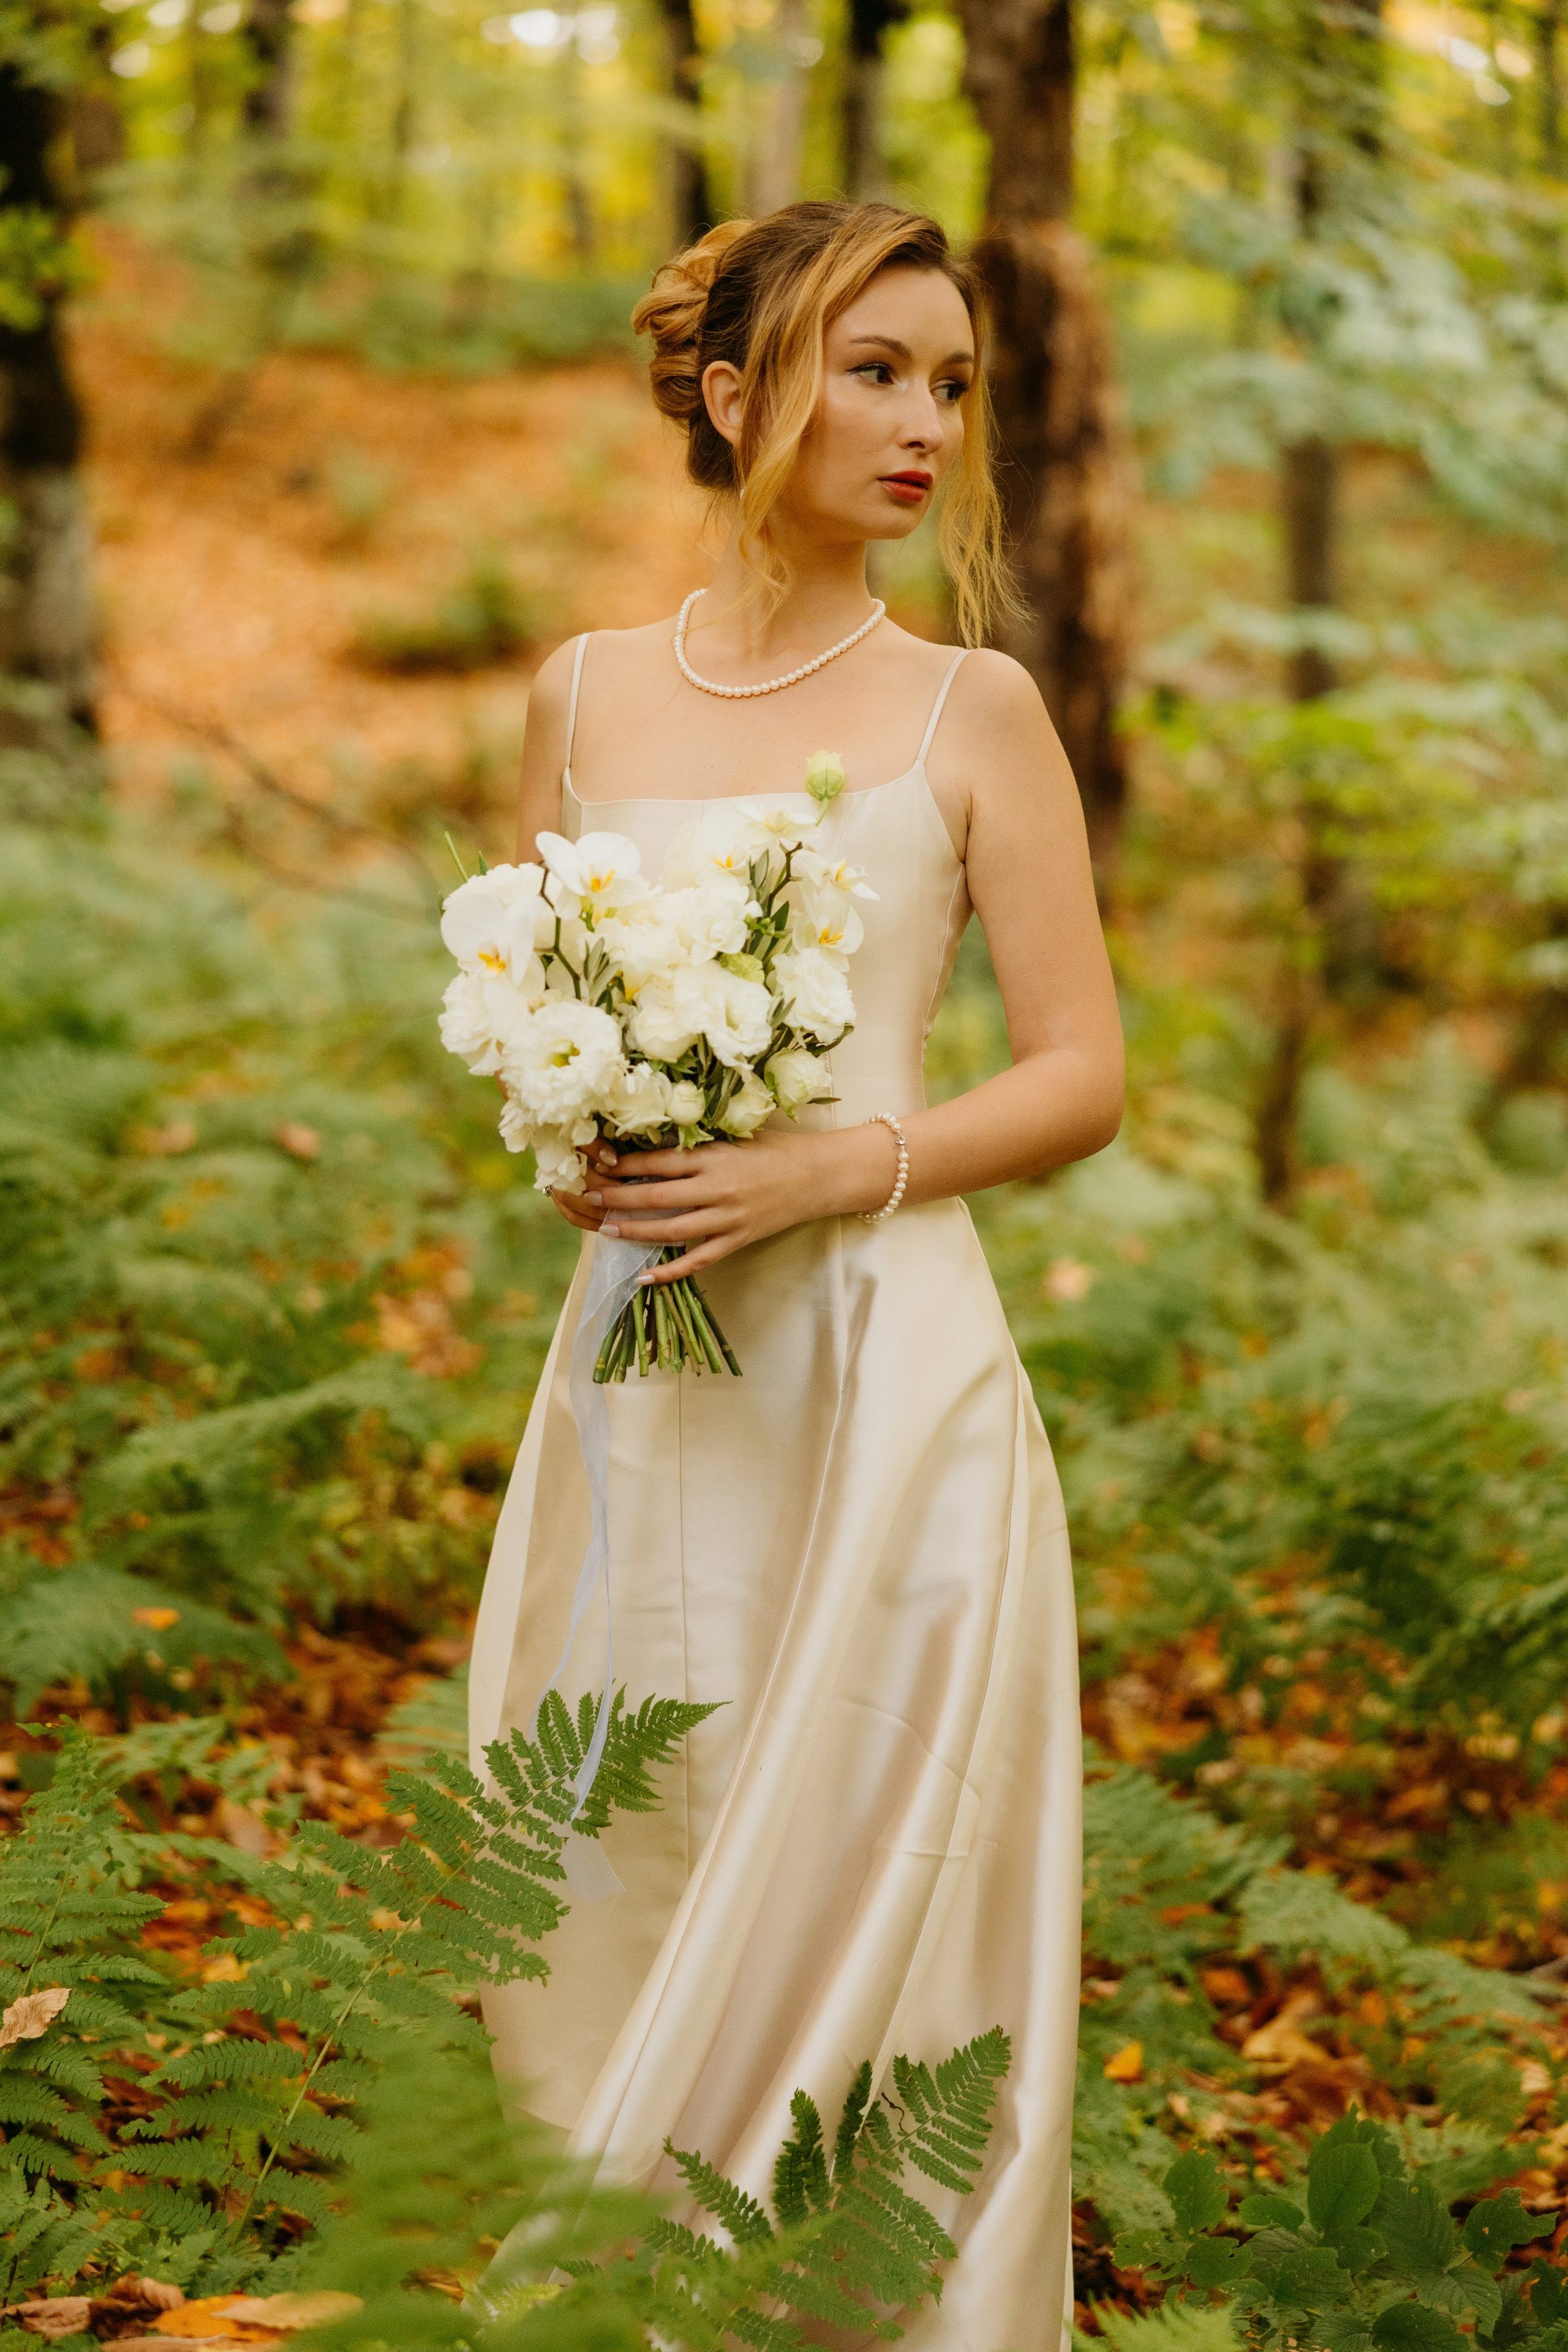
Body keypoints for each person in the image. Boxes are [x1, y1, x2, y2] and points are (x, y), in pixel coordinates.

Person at [469, 198, 1124, 2350]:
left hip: (887, 1381)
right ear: (737, 395)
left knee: (869, 1876)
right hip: (645, 1378)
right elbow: (536, 1008)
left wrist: (844, 1163)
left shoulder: (973, 707)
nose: (925, 419)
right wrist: (594, 1147)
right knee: (626, 1841)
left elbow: (1084, 1074)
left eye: (950, 383)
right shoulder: (579, 697)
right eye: (874, 370)